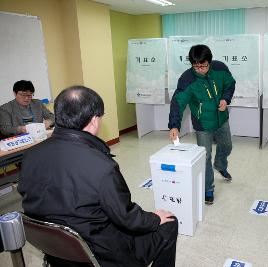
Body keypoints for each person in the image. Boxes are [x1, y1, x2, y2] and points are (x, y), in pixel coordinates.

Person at [18, 86, 178, 267]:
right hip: (101, 254)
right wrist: (155, 218)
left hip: (58, 251)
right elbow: (127, 218)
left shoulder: (30, 156)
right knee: (170, 222)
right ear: (94, 120)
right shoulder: (101, 167)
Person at [168, 44, 236, 205]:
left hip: (222, 118)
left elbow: (230, 83)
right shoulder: (187, 79)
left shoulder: (220, 68)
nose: (199, 69)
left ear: (209, 62)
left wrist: (226, 99)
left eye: (203, 65)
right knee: (204, 157)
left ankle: (220, 165)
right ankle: (208, 189)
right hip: (202, 124)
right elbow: (178, 102)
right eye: (195, 66)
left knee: (227, 146)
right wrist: (174, 125)